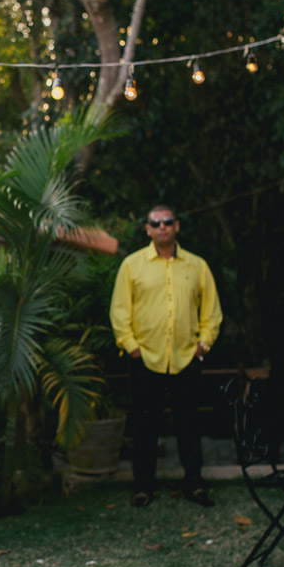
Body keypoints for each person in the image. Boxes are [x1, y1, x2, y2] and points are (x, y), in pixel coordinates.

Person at [110, 205, 223, 508]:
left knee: (189, 425)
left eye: (167, 222)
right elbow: (120, 311)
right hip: (145, 359)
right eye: (155, 223)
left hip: (186, 358)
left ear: (176, 227)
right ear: (147, 229)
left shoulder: (196, 266)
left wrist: (204, 344)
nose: (162, 227)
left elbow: (211, 312)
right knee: (145, 428)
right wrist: (131, 346)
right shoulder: (132, 266)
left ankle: (195, 484)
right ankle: (143, 487)